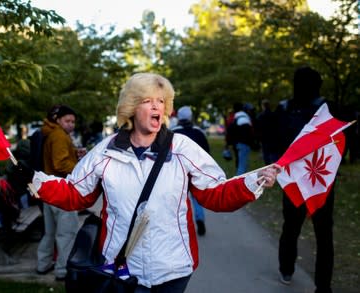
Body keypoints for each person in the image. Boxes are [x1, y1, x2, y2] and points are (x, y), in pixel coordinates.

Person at [18, 73, 280, 291]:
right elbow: (75, 193)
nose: (157, 107)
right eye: (147, 100)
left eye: (161, 101)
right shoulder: (106, 152)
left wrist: (251, 181)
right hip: (121, 268)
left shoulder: (182, 148)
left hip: (173, 269)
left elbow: (216, 193)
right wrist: (34, 180)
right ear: (131, 108)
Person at [275, 66, 334, 293]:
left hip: (303, 177)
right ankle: (322, 285)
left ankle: (287, 269)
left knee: (293, 227)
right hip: (318, 178)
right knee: (321, 233)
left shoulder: (287, 109)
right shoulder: (326, 109)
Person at [36, 104, 82, 281]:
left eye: (73, 121)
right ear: (58, 120)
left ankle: (43, 264)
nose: (71, 124)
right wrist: (81, 169)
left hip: (50, 190)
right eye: (67, 120)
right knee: (66, 233)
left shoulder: (54, 134)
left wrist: (74, 155)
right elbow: (60, 164)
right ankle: (63, 271)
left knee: (50, 232)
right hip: (61, 190)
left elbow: (60, 159)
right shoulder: (59, 136)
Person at [171, 105, 210, 236]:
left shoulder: (173, 132)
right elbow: (207, 152)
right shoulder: (199, 132)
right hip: (196, 170)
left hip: (177, 171)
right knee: (196, 196)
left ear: (179, 118)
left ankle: (180, 226)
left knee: (179, 199)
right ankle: (199, 219)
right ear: (191, 117)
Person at [225, 102, 255, 175]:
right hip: (244, 144)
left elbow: (230, 131)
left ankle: (242, 180)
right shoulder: (244, 119)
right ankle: (239, 181)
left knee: (241, 163)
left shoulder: (235, 118)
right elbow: (248, 134)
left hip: (237, 144)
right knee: (242, 165)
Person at [256, 99, 279, 165]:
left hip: (264, 138)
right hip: (273, 137)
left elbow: (258, 128)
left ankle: (268, 167)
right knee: (274, 155)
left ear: (263, 106)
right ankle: (275, 167)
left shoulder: (260, 116)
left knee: (266, 155)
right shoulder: (274, 115)